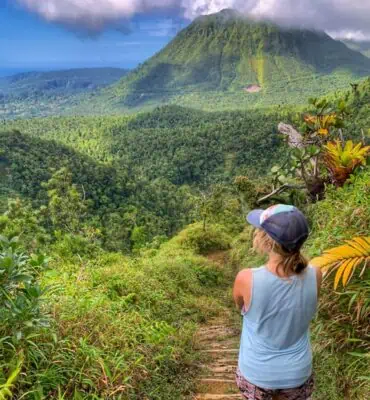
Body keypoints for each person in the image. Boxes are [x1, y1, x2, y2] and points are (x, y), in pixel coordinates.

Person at [233, 204, 322, 400]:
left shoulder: (247, 279)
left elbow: (240, 306)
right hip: (297, 373)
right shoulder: (315, 274)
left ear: (266, 241)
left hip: (256, 372)